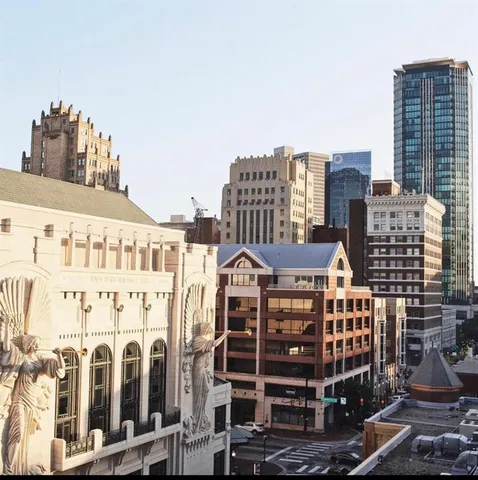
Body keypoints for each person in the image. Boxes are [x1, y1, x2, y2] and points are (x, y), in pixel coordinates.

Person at [1, 316, 65, 475]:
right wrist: (8, 325)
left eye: (38, 343)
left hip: (32, 400)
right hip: (19, 399)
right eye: (34, 343)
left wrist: (60, 355)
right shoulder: (20, 357)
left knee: (26, 437)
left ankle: (21, 466)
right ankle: (8, 468)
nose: (37, 346)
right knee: (18, 432)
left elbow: (60, 371)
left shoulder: (41, 361)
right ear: (28, 344)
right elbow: (7, 347)